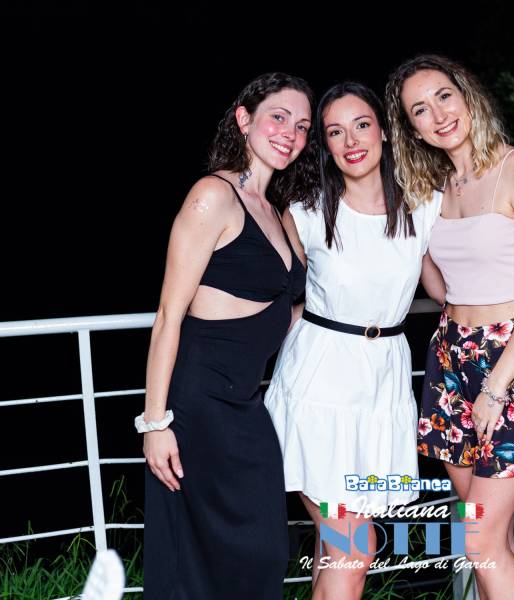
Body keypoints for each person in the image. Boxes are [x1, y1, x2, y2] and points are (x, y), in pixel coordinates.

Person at [386, 54, 514, 600]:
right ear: (412, 129)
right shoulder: (434, 188)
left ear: (467, 95)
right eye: (419, 110)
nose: (438, 115)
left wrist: (496, 387)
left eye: (444, 96)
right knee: (492, 543)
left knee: (479, 539)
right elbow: (441, 289)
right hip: (451, 359)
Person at [263, 81, 441, 600]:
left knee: (336, 552)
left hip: (383, 385)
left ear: (384, 130)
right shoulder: (305, 211)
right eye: (335, 132)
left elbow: (445, 289)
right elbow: (272, 293)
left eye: (361, 125)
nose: (351, 141)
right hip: (319, 386)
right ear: (324, 144)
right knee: (353, 549)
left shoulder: (423, 205)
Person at [140, 72, 313, 600]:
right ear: (244, 119)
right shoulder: (212, 196)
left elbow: (288, 309)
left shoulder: (278, 211)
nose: (290, 133)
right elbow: (168, 316)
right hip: (196, 407)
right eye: (278, 117)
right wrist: (155, 423)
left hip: (245, 405)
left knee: (264, 551)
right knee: (201, 563)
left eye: (302, 125)